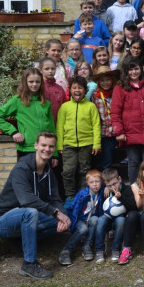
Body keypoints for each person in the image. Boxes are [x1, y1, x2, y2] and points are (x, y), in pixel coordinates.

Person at [0, 131, 70, 279]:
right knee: (30, 212)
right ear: (36, 145)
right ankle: (29, 264)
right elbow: (26, 200)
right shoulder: (22, 168)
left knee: (66, 218)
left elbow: (56, 200)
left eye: (51, 146)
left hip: (28, 219)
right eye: (43, 145)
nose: (47, 149)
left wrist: (62, 215)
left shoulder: (49, 172)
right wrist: (55, 213)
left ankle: (20, 244)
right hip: (3, 221)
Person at [111, 56, 144, 183]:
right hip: (130, 133)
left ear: (140, 70)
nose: (134, 72)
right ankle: (135, 190)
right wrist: (119, 132)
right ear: (125, 71)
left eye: (136, 69)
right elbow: (115, 112)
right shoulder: (120, 88)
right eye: (130, 69)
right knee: (134, 163)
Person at [0, 67, 56, 160]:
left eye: (37, 82)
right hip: (27, 148)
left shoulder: (46, 103)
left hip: (45, 149)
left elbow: (51, 129)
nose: (34, 84)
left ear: (41, 83)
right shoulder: (17, 101)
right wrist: (13, 132)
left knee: (46, 174)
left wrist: (55, 155)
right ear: (25, 82)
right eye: (31, 82)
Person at [57, 76, 101, 205]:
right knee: (68, 171)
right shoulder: (65, 107)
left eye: (80, 88)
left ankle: (82, 194)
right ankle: (70, 197)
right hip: (68, 144)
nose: (77, 90)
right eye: (74, 87)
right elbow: (59, 127)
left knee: (84, 171)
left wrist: (96, 143)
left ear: (85, 90)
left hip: (86, 144)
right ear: (70, 90)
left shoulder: (91, 106)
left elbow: (96, 125)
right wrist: (60, 145)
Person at [118, 159, 144, 265]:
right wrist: (141, 197)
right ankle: (126, 250)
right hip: (140, 218)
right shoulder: (135, 186)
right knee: (132, 214)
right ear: (141, 172)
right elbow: (139, 206)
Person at [58, 169, 104, 265]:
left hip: (91, 218)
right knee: (83, 229)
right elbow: (72, 208)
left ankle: (87, 246)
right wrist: (71, 223)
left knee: (95, 219)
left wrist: (107, 187)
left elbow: (110, 183)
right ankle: (66, 250)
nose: (95, 184)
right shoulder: (82, 194)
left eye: (97, 181)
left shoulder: (102, 191)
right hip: (79, 219)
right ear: (87, 183)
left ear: (101, 182)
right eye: (91, 182)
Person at [95, 167, 137, 263]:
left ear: (120, 179)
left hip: (121, 217)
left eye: (114, 184)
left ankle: (115, 249)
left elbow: (133, 206)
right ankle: (99, 251)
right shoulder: (106, 192)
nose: (113, 187)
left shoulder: (127, 190)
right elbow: (103, 207)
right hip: (108, 218)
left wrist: (121, 198)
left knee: (121, 221)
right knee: (101, 220)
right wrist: (106, 189)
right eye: (109, 185)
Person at [90, 66, 120, 170]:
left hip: (117, 131)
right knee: (106, 161)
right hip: (104, 133)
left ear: (112, 80)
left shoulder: (117, 93)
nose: (105, 83)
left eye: (108, 80)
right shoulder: (94, 96)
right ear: (98, 82)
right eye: (102, 80)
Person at [38, 57, 67, 126]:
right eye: (47, 69)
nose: (50, 71)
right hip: (40, 125)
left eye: (53, 68)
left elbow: (64, 107)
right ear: (41, 70)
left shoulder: (59, 89)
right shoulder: (37, 87)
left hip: (57, 125)